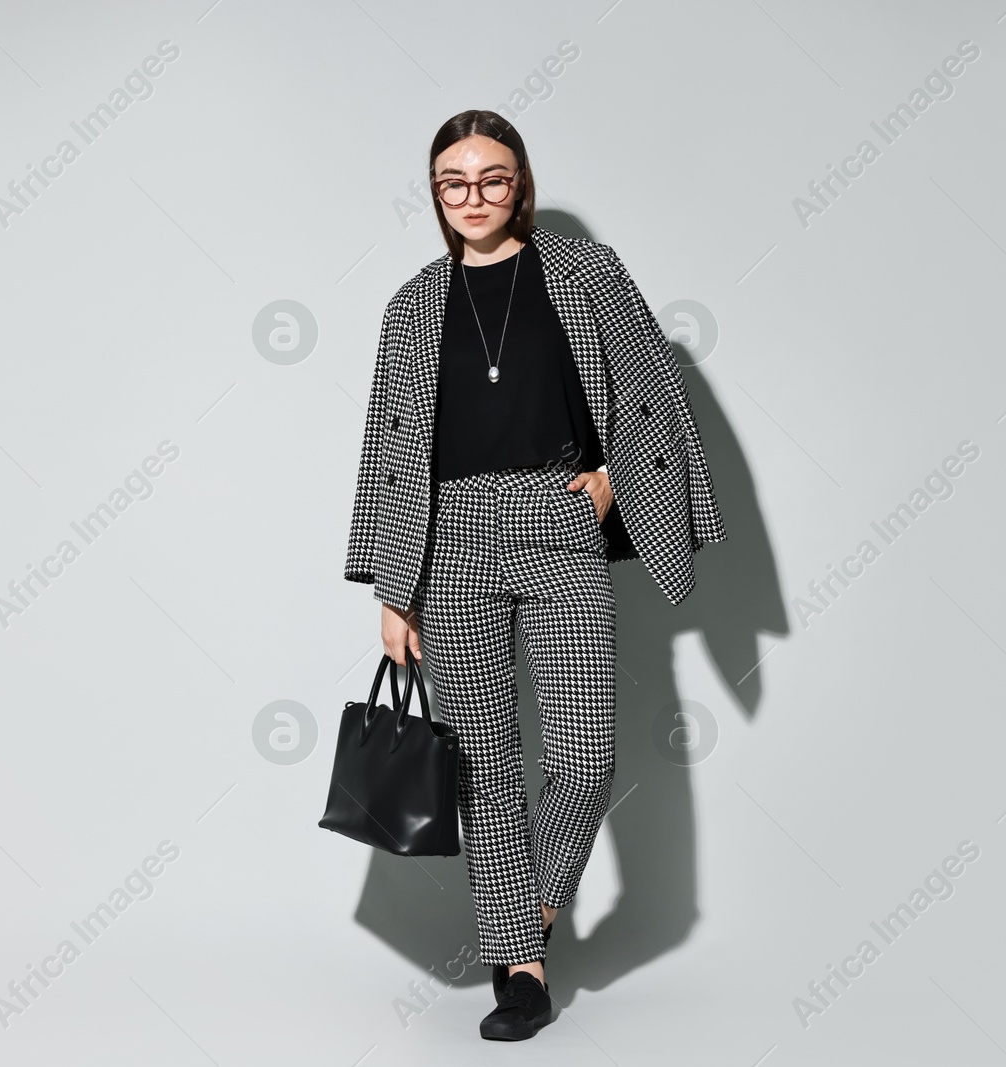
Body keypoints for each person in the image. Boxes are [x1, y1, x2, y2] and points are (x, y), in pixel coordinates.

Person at [344, 109, 726, 1041]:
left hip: (558, 522)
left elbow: (651, 387)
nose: (473, 198)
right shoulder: (412, 302)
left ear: (522, 182)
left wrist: (611, 485)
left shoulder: (584, 273)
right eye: (454, 182)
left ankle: (530, 915)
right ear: (435, 193)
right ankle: (520, 968)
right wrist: (395, 590)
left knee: (585, 755)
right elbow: (388, 450)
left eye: (493, 178)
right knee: (483, 762)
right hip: (451, 536)